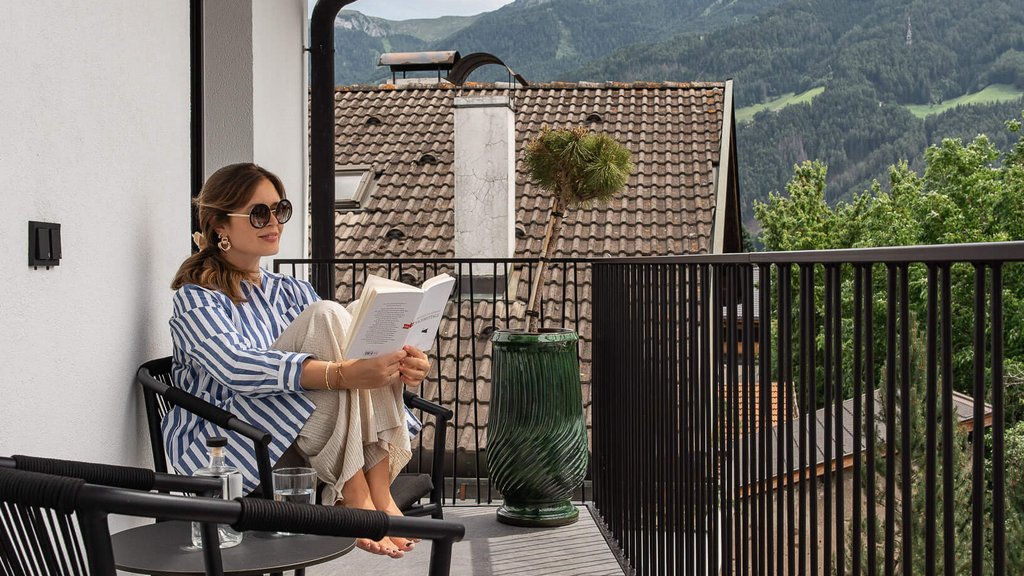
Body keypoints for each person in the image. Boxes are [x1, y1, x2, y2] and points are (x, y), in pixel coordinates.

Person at [166, 162, 429, 558]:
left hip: (297, 437)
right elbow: (238, 368)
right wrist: (342, 374)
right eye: (259, 213)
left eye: (280, 210)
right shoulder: (196, 298)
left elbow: (343, 354)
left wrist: (404, 366)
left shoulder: (290, 289)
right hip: (231, 445)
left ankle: (376, 490)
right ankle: (353, 496)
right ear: (220, 225)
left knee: (354, 324)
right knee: (327, 318)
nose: (274, 222)